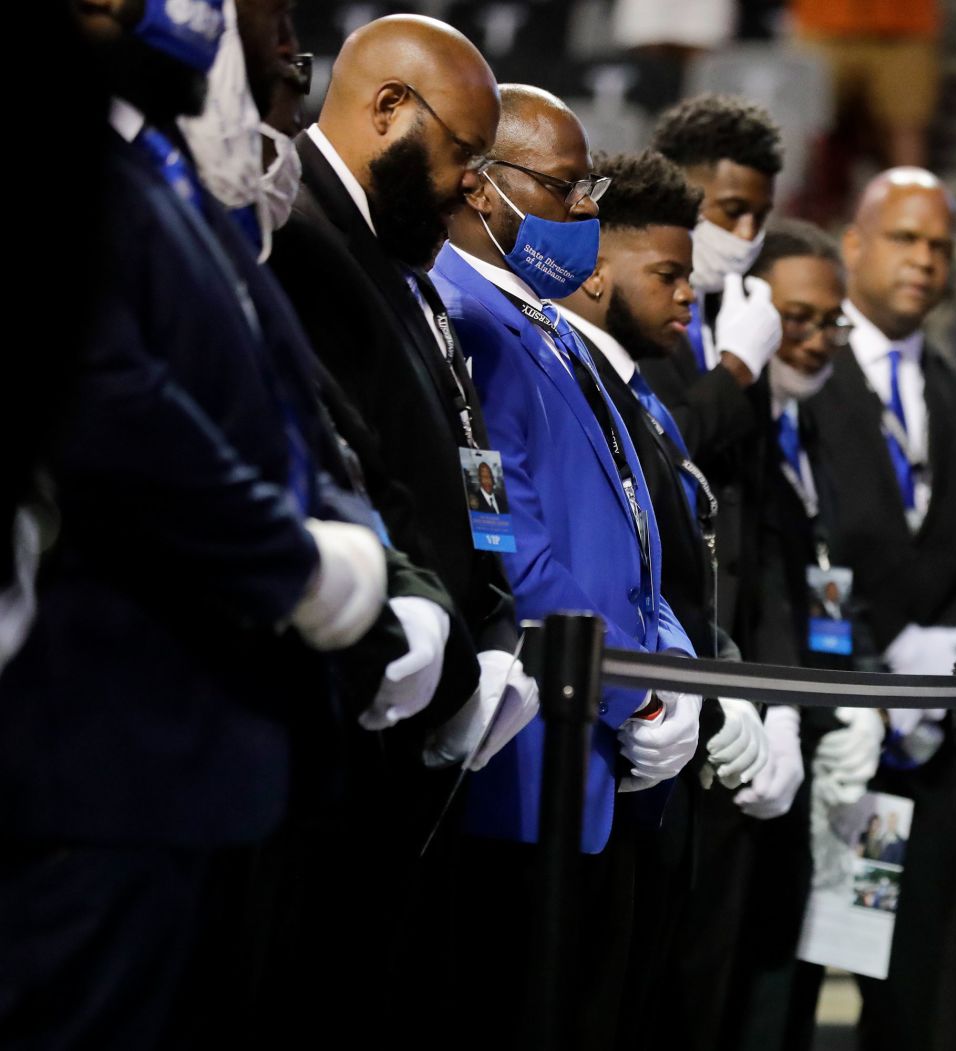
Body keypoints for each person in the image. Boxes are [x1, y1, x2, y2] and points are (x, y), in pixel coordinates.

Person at [1, 4, 388, 1045]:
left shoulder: (165, 180)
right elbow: (104, 398)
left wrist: (342, 533)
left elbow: (286, 407)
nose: (238, 37)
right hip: (97, 757)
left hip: (194, 763)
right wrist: (292, 560)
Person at [259, 14, 538, 1043]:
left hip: (415, 714)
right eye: (465, 153)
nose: (475, 185)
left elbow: (460, 474)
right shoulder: (303, 232)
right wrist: (430, 618)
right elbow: (347, 458)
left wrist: (494, 634)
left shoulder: (391, 254)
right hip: (345, 700)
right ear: (387, 109)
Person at [430, 85, 700, 1050]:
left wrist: (671, 665)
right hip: (532, 761)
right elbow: (516, 543)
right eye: (566, 187)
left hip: (600, 755)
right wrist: (642, 695)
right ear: (483, 188)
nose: (589, 210)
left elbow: (634, 532)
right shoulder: (465, 313)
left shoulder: (545, 327)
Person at [550, 148, 781, 1050]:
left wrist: (701, 674)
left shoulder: (632, 389)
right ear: (598, 266)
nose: (689, 293)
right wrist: (657, 691)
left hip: (660, 733)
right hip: (603, 742)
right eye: (669, 273)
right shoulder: (577, 371)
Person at [796, 168, 956, 1051]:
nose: (924, 260)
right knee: (795, 975)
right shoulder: (808, 374)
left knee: (910, 987)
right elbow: (806, 538)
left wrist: (943, 655)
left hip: (929, 748)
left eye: (939, 246)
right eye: (904, 238)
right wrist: (875, 663)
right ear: (854, 244)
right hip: (828, 731)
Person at [718, 221, 888, 1051]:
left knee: (840, 946)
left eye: (833, 323)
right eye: (799, 318)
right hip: (770, 723)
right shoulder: (737, 423)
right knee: (760, 966)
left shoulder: (825, 424)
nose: (818, 340)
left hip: (852, 725)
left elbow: (849, 561)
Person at [645, 94, 786, 476]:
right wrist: (735, 370)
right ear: (675, 185)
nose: (748, 234)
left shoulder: (739, 309)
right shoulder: (619, 302)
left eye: (760, 217)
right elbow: (653, 457)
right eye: (733, 211)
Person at [791, 0, 940, 217]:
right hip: (824, 24)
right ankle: (802, 224)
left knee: (905, 130)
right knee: (808, 132)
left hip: (902, 28)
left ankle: (912, 216)